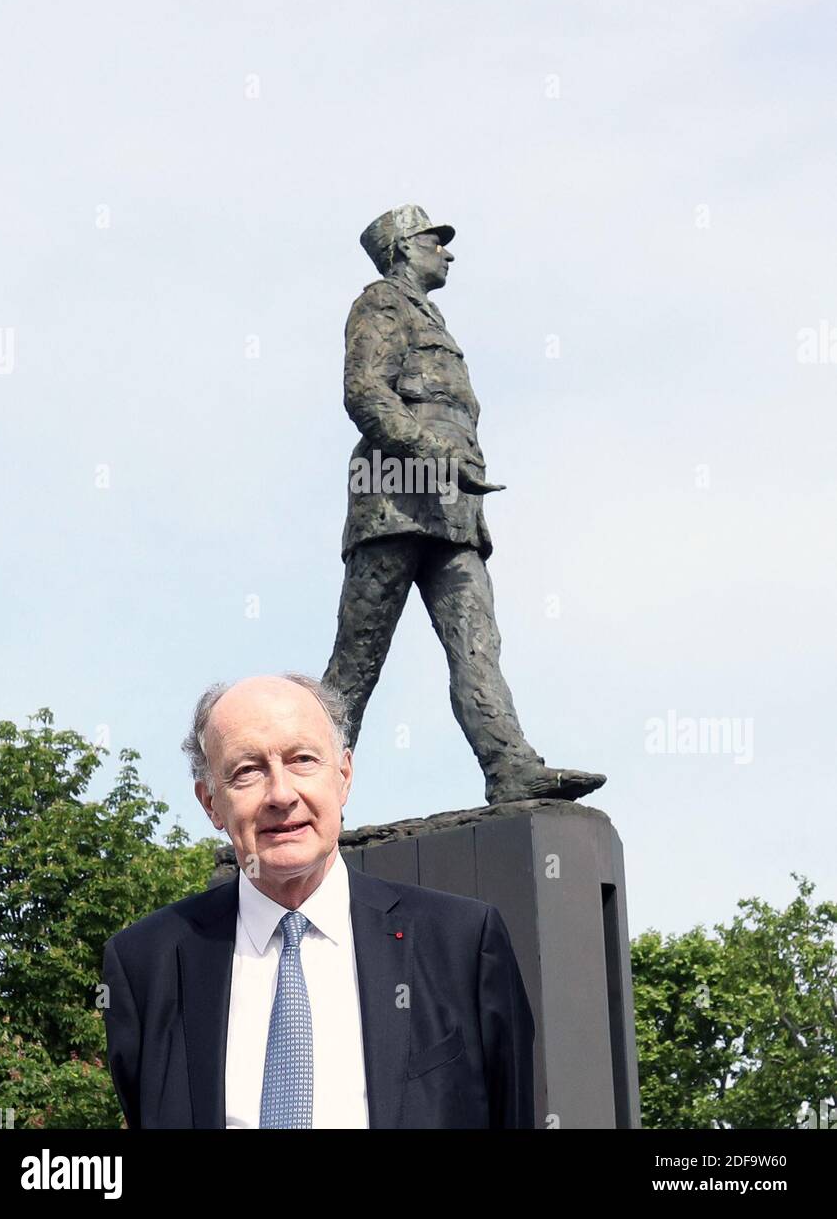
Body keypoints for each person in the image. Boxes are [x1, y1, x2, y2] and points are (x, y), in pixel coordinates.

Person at [101, 672, 535, 1129]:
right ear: (210, 802)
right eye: (247, 771)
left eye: (303, 760)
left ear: (343, 776)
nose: (281, 794)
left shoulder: (462, 943)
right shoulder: (146, 964)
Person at [323, 203, 605, 803]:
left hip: (451, 510)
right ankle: (309, 791)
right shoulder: (381, 302)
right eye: (434, 241)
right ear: (401, 248)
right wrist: (432, 452)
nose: (447, 252)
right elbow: (365, 392)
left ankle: (512, 768)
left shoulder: (435, 319)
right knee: (356, 666)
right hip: (393, 499)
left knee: (477, 643)